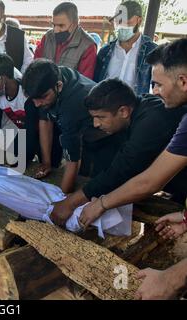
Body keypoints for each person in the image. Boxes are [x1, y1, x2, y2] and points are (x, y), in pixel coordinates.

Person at [80, 39, 187, 300]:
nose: (155, 92)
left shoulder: (156, 118)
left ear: (183, 81)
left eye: (159, 84)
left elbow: (149, 182)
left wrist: (171, 279)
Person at [49, 78, 187, 226]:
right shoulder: (134, 113)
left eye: (100, 117)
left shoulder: (153, 120)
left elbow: (123, 169)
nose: (96, 124)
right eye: (93, 117)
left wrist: (72, 202)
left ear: (123, 111)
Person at [22, 59, 98, 193]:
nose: (37, 104)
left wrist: (62, 198)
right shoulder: (48, 81)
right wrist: (47, 162)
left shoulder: (73, 104)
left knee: (89, 181)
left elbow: (73, 157)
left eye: (42, 97)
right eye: (34, 99)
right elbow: (45, 120)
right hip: (75, 127)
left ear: (59, 86)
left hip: (101, 135)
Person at [0, 53, 39, 163]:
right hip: (25, 131)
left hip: (42, 131)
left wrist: (22, 159)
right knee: (12, 156)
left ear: (2, 78)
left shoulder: (26, 96)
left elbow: (31, 132)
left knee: (20, 159)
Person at [94, 1, 157, 95]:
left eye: (127, 22)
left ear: (139, 21)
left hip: (136, 108)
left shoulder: (153, 52)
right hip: (105, 106)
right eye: (118, 22)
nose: (121, 26)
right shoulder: (105, 52)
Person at [33, 2, 96, 80]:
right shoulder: (47, 37)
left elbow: (84, 83)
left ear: (74, 24)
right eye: (54, 25)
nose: (55, 30)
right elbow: (35, 68)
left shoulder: (88, 46)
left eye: (61, 26)